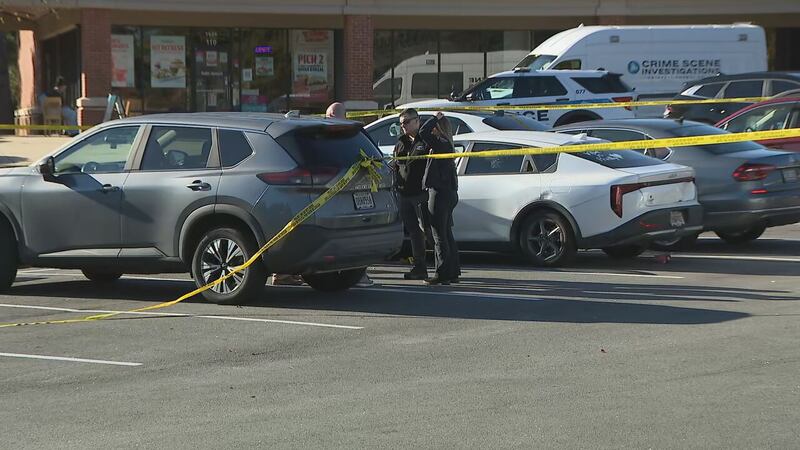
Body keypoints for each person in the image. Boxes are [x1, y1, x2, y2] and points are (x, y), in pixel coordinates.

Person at [418, 112, 461, 285]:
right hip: (450, 193)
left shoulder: (440, 143)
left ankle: (441, 273)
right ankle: (453, 271)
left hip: (439, 193)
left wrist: (435, 118)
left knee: (438, 236)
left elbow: (422, 131)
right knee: (447, 234)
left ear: (437, 129)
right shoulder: (448, 144)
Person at [392, 108, 430, 280]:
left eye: (406, 122)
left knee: (430, 231)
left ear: (417, 121)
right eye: (401, 123)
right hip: (404, 194)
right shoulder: (401, 143)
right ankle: (419, 267)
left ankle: (444, 267)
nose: (403, 126)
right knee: (414, 232)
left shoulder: (426, 141)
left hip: (421, 194)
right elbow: (395, 165)